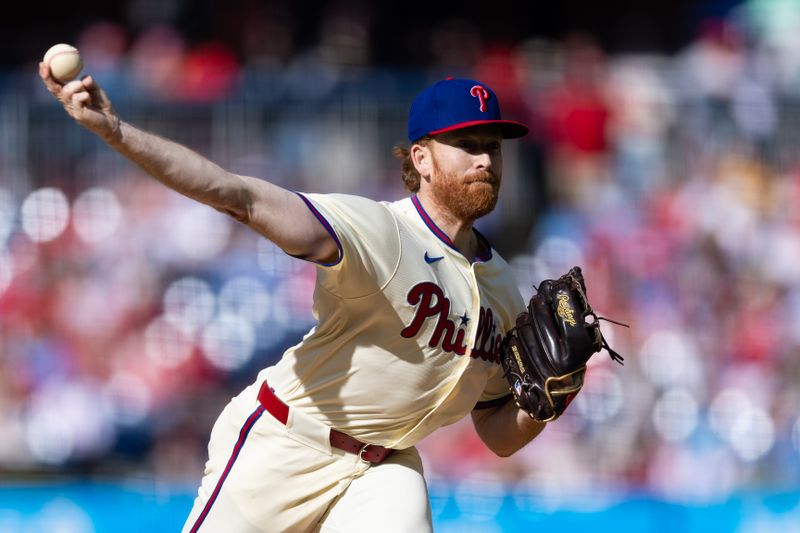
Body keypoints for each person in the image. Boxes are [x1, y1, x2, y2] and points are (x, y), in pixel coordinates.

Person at [40, 61, 547, 532]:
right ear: (422, 159)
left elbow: (499, 434)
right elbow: (236, 195)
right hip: (286, 443)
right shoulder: (379, 232)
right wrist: (117, 131)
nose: (484, 158)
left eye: (493, 146)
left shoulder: (503, 288)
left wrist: (552, 397)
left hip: (383, 470)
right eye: (467, 143)